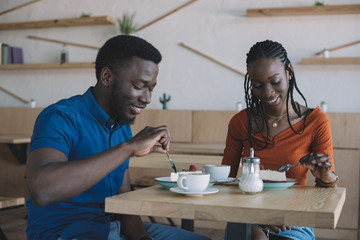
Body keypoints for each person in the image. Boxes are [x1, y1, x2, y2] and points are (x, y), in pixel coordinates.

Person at [26, 35, 210, 240]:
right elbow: (42, 189)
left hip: (111, 229)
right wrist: (128, 148)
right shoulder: (60, 117)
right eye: (139, 85)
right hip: (66, 233)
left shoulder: (121, 125)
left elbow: (122, 194)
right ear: (107, 77)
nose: (147, 98)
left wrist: (140, 237)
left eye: (151, 88)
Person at [221, 40, 339, 240]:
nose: (267, 93)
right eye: (257, 85)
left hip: (293, 220)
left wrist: (326, 176)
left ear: (289, 72)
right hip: (246, 214)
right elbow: (225, 182)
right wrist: (255, 214)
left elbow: (325, 193)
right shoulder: (240, 122)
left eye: (275, 82)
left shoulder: (316, 123)